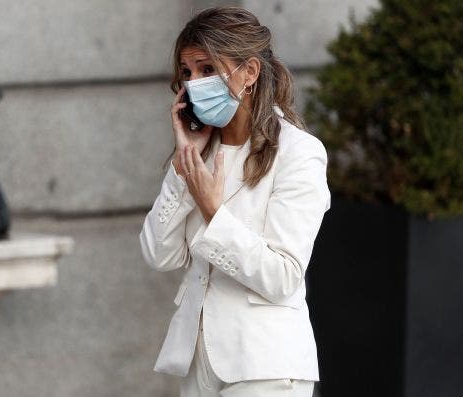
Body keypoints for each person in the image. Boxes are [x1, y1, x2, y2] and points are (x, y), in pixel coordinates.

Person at [139, 6, 331, 397]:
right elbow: (160, 255)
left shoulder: (299, 153)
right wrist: (183, 165)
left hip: (266, 366)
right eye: (188, 72)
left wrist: (213, 211)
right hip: (198, 365)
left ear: (250, 72)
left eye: (208, 69)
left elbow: (283, 276)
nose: (194, 83)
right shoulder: (199, 152)